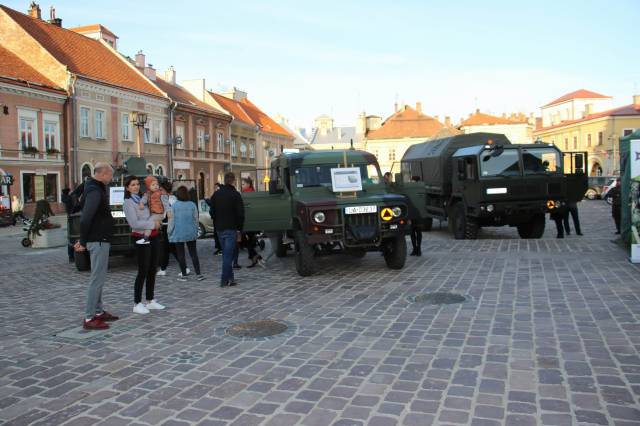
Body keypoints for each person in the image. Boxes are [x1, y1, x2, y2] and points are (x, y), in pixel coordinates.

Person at [74, 163, 119, 330]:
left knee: (99, 278)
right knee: (96, 279)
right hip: (98, 240)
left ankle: (98, 312)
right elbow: (86, 218)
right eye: (110, 175)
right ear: (103, 174)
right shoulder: (94, 190)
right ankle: (89, 317)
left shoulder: (95, 188)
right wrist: (83, 242)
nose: (111, 179)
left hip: (100, 239)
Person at [123, 175, 165, 315]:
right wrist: (153, 223)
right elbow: (134, 223)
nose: (135, 187)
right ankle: (137, 303)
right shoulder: (128, 202)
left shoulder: (144, 199)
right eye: (132, 185)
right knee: (143, 270)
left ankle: (150, 300)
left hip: (153, 236)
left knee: (153, 268)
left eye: (137, 184)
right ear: (127, 187)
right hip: (140, 237)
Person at [210, 172, 244, 287]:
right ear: (233, 181)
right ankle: (224, 279)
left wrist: (217, 220)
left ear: (225, 181)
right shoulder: (236, 195)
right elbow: (241, 214)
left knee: (226, 253)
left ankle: (231, 278)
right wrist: (239, 229)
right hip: (231, 228)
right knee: (228, 255)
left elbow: (212, 212)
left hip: (219, 228)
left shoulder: (216, 195)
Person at [168, 186, 204, 282]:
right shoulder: (192, 205)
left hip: (178, 233)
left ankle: (184, 275)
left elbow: (171, 221)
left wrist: (169, 232)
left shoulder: (174, 206)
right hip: (191, 232)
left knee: (181, 255)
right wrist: (195, 230)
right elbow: (196, 219)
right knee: (193, 254)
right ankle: (199, 274)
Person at [241, 177, 264, 268]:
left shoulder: (247, 194)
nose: (242, 186)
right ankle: (253, 258)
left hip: (248, 222)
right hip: (254, 221)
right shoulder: (253, 192)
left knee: (248, 242)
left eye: (243, 184)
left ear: (248, 185)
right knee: (249, 241)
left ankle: (256, 257)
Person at [157, 180, 179, 276]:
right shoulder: (171, 199)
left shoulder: (170, 200)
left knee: (169, 249)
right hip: (167, 227)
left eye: (161, 190)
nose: (160, 191)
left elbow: (167, 215)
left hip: (169, 227)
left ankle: (184, 267)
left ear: (166, 190)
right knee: (168, 249)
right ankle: (163, 268)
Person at [136, 176, 165, 244]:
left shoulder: (160, 193)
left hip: (159, 213)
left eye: (157, 184)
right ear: (148, 186)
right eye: (153, 185)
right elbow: (143, 200)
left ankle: (145, 238)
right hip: (154, 214)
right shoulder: (147, 194)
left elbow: (165, 201)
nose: (156, 186)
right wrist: (141, 203)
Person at [409, 176, 422, 256]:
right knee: (415, 233)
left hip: (415, 214)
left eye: (412, 181)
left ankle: (417, 249)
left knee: (416, 233)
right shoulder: (419, 189)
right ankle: (416, 249)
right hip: (417, 214)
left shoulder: (414, 190)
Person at [61, 188, 75, 262]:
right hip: (73, 217)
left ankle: (71, 256)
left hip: (69, 217)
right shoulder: (70, 198)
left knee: (71, 237)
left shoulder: (64, 198)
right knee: (73, 237)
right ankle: (71, 255)